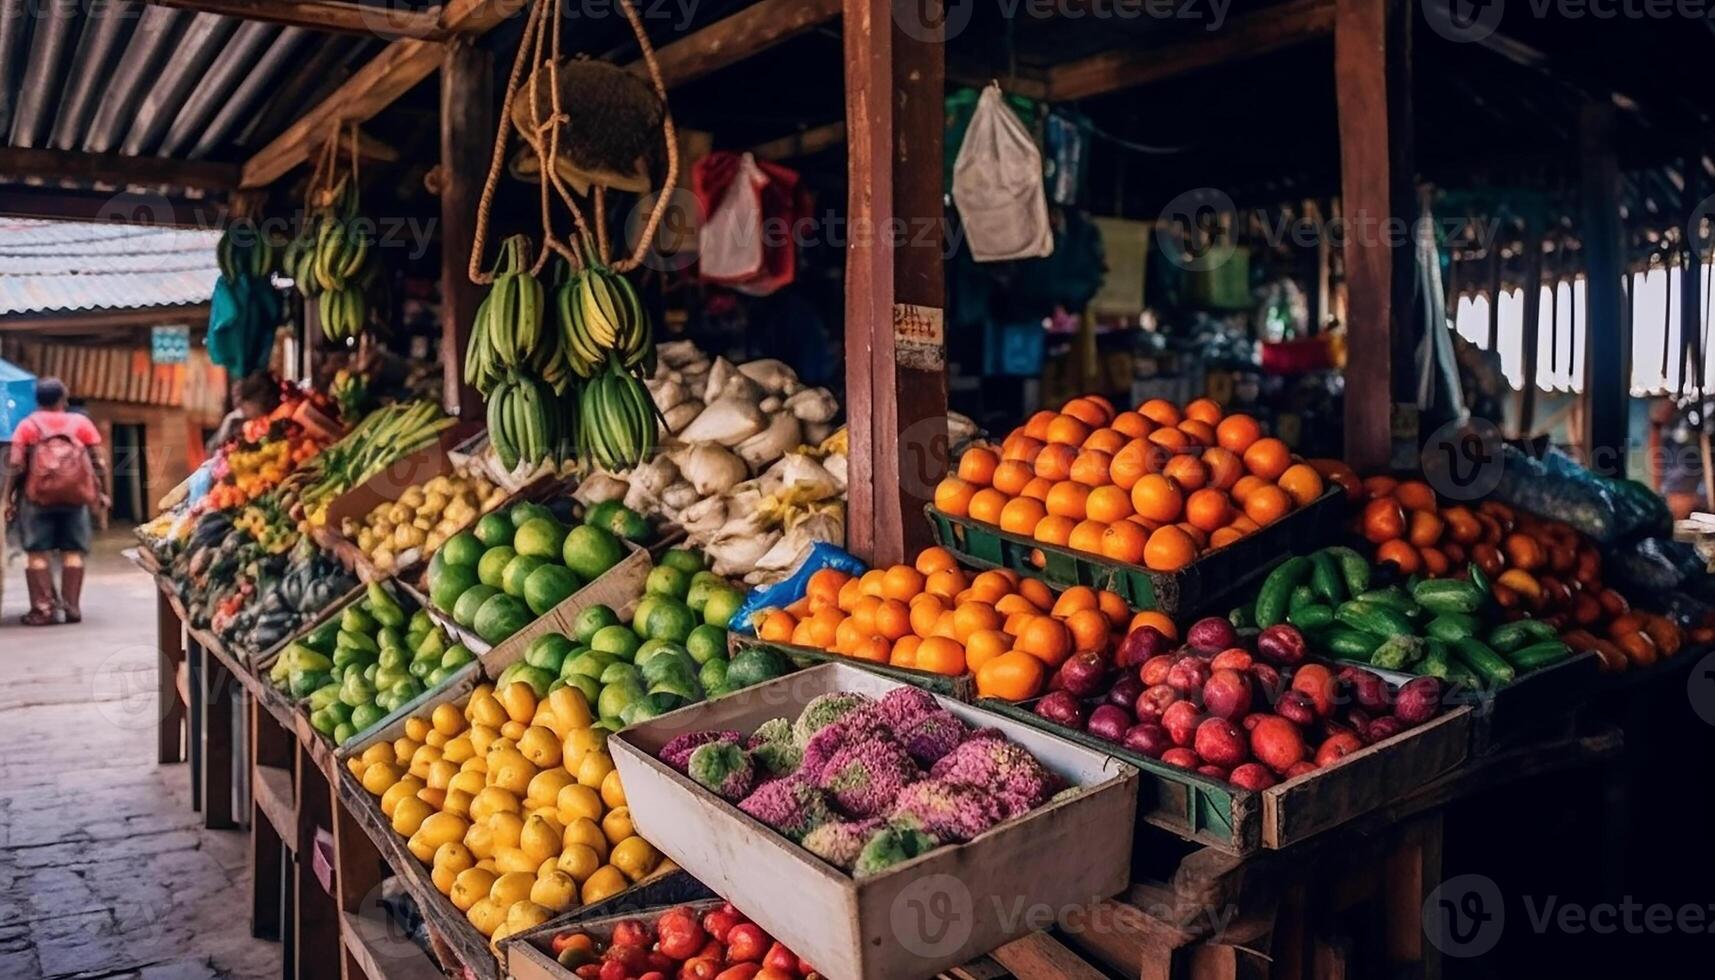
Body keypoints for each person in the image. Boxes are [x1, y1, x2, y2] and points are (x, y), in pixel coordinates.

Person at [1, 377, 109, 625]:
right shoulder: (80, 423)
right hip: (75, 498)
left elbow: (16, 464)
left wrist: (9, 498)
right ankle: (71, 607)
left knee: (37, 553)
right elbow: (98, 463)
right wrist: (101, 492)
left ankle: (43, 610)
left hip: (37, 500)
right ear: (64, 399)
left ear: (37, 400)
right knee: (73, 551)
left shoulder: (27, 426)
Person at [205, 371, 282, 453]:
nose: (244, 410)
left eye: (246, 408)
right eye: (244, 407)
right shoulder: (234, 420)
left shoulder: (276, 417)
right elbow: (213, 447)